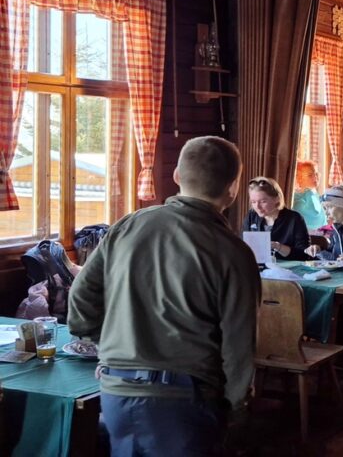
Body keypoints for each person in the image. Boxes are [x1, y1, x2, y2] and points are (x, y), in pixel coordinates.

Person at [68, 136, 260, 456]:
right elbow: (239, 343)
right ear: (233, 188)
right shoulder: (233, 253)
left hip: (118, 392)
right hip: (185, 401)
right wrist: (237, 407)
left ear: (176, 176)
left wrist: (111, 349)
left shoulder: (126, 227)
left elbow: (80, 302)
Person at [242, 176, 311, 261]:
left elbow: (304, 255)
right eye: (253, 202)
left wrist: (278, 247)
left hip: (287, 268)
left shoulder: (294, 219)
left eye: (263, 201)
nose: (257, 207)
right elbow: (243, 247)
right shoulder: (251, 216)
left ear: (277, 199)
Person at [292, 160, 327, 230]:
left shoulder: (314, 195)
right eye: (310, 175)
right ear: (299, 178)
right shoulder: (296, 198)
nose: (315, 178)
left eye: (316, 174)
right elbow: (315, 217)